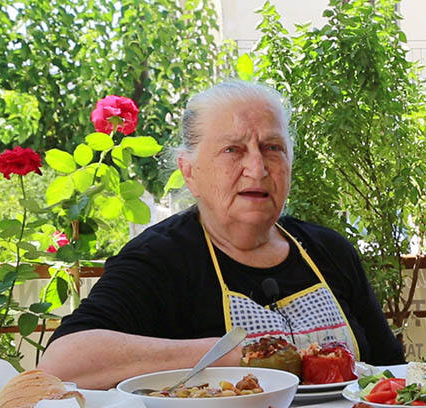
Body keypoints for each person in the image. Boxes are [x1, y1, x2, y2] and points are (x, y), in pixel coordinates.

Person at [41, 81, 403, 389]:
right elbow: (62, 363)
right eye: (233, 150)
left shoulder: (330, 250)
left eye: (272, 148)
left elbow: (392, 370)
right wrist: (231, 356)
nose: (257, 168)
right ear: (190, 172)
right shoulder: (159, 260)